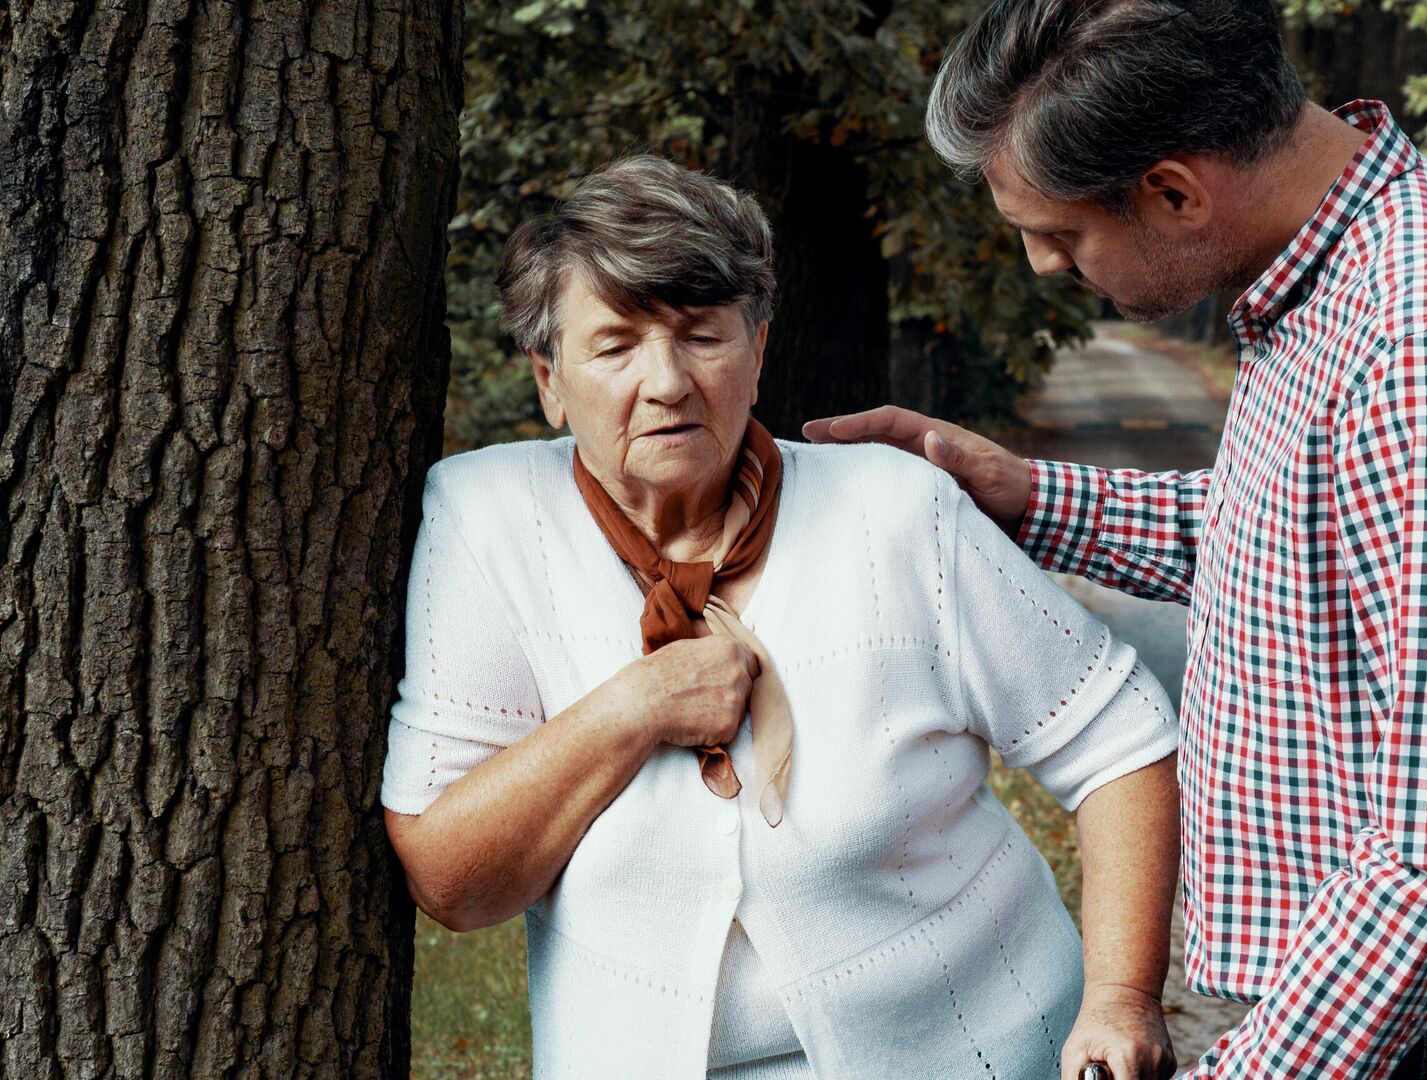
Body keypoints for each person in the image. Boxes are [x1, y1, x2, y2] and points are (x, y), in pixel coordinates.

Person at [805, 1, 1427, 1076]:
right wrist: (1026, 495)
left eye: (1059, 233)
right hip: (1401, 1016)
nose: (1041, 265)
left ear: (1173, 191)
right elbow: (1298, 548)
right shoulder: (1332, 287)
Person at [381, 154, 1182, 1080]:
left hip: (980, 1051)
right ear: (549, 379)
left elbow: (1118, 742)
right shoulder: (486, 519)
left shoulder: (896, 508)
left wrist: (1121, 1000)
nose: (669, 381)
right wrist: (632, 708)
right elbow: (452, 881)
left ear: (758, 351)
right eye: (615, 345)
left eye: (701, 335)